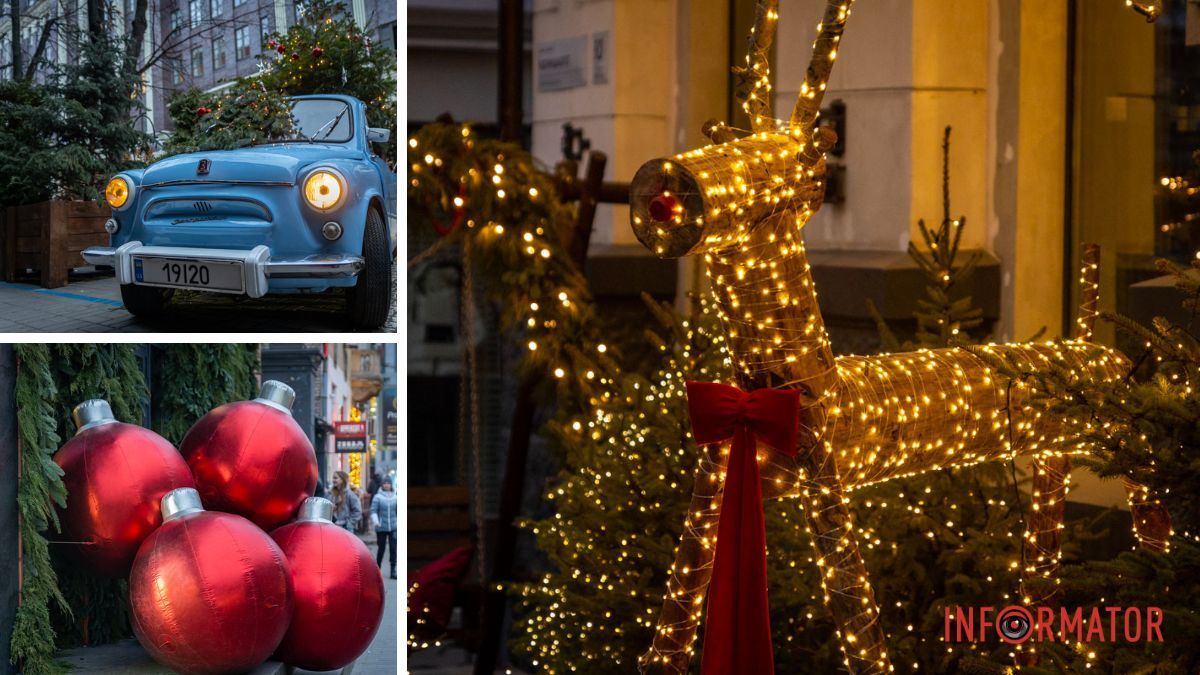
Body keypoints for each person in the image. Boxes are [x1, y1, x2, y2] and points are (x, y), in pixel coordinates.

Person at [371, 478, 398, 579]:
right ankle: (377, 569)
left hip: (393, 526)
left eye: (388, 483)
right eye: (385, 483)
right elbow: (373, 510)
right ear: (382, 485)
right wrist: (376, 521)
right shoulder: (377, 497)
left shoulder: (395, 497)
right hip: (381, 526)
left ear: (391, 485)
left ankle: (393, 570)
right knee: (381, 548)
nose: (387, 485)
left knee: (393, 548)